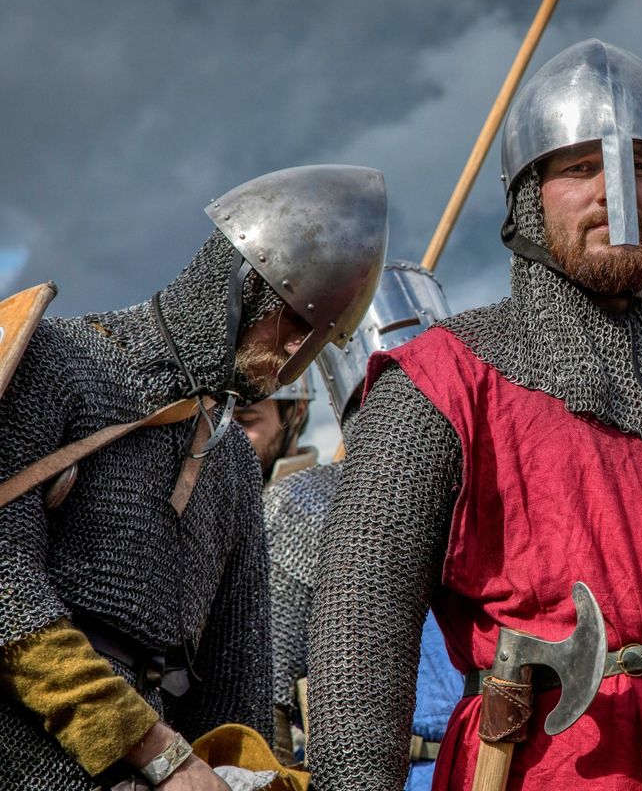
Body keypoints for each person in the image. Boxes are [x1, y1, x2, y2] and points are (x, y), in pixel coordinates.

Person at [306, 39, 642, 790]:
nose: (612, 193)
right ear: (529, 194)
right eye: (578, 167)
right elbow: (360, 630)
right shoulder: (443, 386)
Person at [0, 164, 387, 790]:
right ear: (240, 283)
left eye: (315, 344)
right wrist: (154, 749)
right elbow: (4, 589)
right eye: (291, 324)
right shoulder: (56, 361)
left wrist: (248, 774)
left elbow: (233, 686)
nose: (292, 359)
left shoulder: (230, 458)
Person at [265, 263, 461, 791]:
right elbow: (272, 694)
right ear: (357, 400)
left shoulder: (507, 492)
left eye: (426, 391)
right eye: (394, 397)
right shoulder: (305, 505)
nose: (412, 414)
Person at [234, 373, 317, 484]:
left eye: (246, 419)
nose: (227, 436)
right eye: (218, 424)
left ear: (297, 412)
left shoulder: (333, 497)